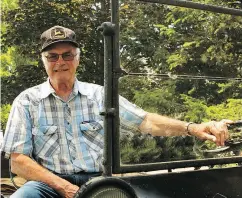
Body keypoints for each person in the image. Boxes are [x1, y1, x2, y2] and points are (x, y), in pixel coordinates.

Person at [1, 25, 231, 198]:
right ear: (44, 61)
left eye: (67, 55)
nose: (60, 61)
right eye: (52, 56)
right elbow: (18, 161)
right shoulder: (27, 101)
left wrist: (194, 128)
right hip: (47, 184)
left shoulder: (100, 95)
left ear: (77, 59)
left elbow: (146, 121)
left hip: (99, 180)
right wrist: (66, 188)